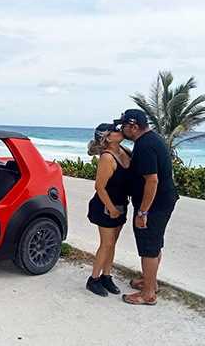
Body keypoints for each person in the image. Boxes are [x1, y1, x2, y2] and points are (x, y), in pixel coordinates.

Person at [113, 109, 179, 305]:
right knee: (155, 242)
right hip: (164, 201)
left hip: (154, 205)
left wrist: (143, 212)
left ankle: (148, 293)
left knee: (148, 247)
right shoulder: (153, 139)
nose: (121, 129)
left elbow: (152, 181)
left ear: (134, 126)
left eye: (123, 126)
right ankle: (151, 282)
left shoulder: (145, 147)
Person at [85, 123, 131, 297]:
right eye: (116, 130)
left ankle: (106, 276)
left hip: (121, 205)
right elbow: (100, 187)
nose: (120, 131)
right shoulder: (107, 158)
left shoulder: (125, 150)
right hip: (105, 206)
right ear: (108, 138)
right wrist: (111, 209)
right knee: (107, 244)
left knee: (113, 244)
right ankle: (93, 279)